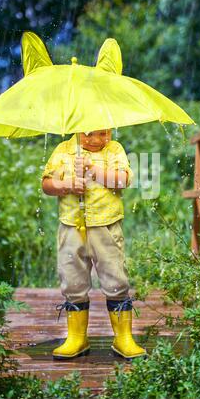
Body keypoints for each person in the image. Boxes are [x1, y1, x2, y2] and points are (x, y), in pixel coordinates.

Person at [41, 128, 146, 360]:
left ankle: (123, 338)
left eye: (103, 133)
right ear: (76, 130)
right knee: (72, 279)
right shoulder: (64, 151)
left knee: (115, 278)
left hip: (106, 226)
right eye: (89, 134)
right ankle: (77, 337)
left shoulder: (114, 149)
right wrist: (66, 184)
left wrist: (93, 170)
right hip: (71, 228)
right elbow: (46, 184)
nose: (97, 140)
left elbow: (123, 180)